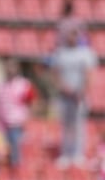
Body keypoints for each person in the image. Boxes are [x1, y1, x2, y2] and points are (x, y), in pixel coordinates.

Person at [51, 27, 98, 170]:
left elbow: (89, 75)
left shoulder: (85, 54)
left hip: (79, 96)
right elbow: (56, 74)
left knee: (79, 126)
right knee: (66, 126)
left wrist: (81, 91)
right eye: (69, 35)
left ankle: (78, 154)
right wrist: (66, 89)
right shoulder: (60, 53)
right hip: (65, 96)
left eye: (74, 35)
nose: (72, 38)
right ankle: (66, 153)